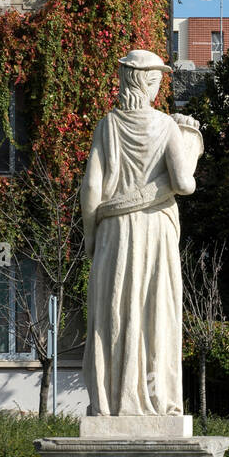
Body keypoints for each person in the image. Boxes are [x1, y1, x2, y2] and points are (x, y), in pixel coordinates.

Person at [80, 49, 204, 416]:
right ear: (149, 82)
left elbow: (91, 187)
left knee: (115, 311)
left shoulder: (108, 125)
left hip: (113, 231)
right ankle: (157, 398)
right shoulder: (165, 125)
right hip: (154, 228)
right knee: (155, 310)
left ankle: (115, 401)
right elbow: (184, 183)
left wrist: (90, 236)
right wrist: (192, 143)